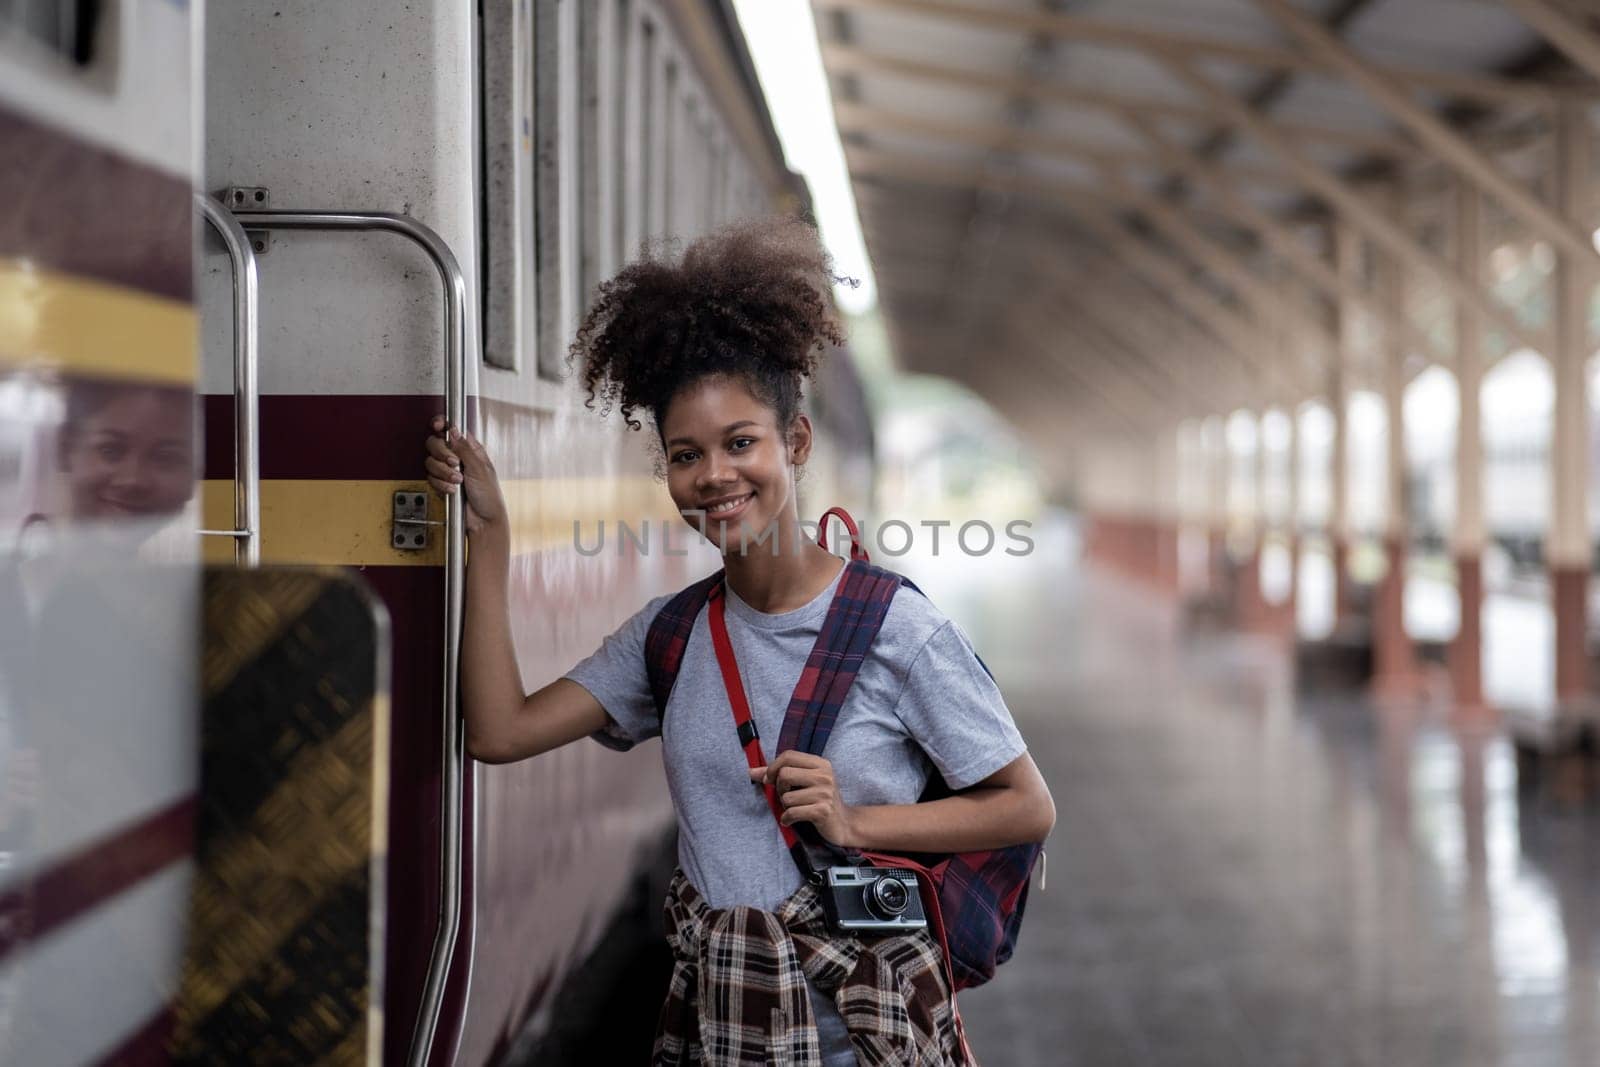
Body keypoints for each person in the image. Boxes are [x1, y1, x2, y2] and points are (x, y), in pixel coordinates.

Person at [423, 216, 1054, 1065]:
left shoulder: (895, 626)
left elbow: (1025, 804)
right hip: (716, 1027)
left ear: (795, 443)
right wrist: (489, 541)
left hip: (858, 1033)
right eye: (686, 454)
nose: (715, 475)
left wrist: (856, 819)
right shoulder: (672, 636)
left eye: (741, 442)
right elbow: (500, 731)